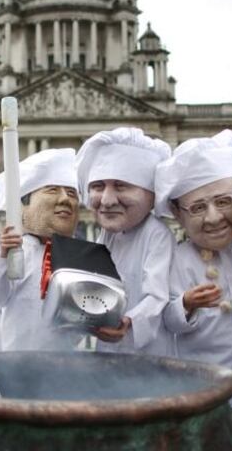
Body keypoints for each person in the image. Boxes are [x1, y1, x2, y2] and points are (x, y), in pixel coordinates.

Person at [156, 129, 232, 415]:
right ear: (178, 214)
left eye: (224, 201)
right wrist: (185, 304)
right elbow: (166, 321)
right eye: (198, 208)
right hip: (205, 393)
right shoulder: (176, 259)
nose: (214, 217)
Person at [76, 127, 175, 356]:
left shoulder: (156, 234)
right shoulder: (107, 233)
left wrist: (130, 321)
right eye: (98, 187)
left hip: (148, 352)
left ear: (150, 194)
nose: (107, 200)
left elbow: (157, 296)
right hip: (109, 346)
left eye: (121, 186)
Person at [0, 148, 83, 351]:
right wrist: (2, 259)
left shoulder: (77, 255)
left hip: (63, 359)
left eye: (71, 193)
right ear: (25, 207)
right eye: (52, 190)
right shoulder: (16, 248)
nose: (65, 200)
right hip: (17, 355)